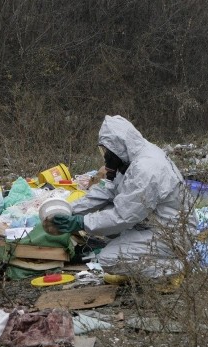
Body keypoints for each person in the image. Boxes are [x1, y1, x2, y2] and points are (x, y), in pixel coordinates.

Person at [48, 115, 190, 280]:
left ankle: (175, 268)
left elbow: (123, 216)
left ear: (118, 144)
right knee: (108, 223)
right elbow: (107, 190)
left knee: (109, 259)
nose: (106, 155)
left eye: (108, 150)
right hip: (153, 222)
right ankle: (145, 263)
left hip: (172, 232)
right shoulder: (130, 158)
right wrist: (68, 209)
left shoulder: (147, 169)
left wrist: (81, 222)